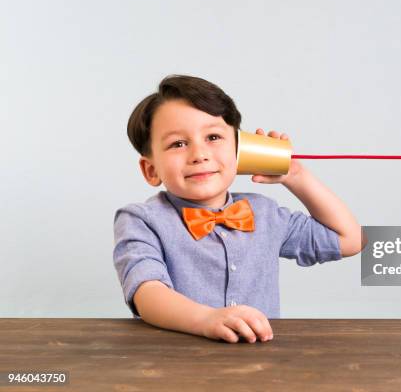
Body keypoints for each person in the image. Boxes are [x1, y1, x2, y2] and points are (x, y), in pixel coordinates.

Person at [113, 74, 364, 343]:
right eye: (178, 144)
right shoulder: (141, 220)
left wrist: (296, 176)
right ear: (151, 170)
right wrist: (206, 319)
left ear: (240, 151)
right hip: (175, 362)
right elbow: (148, 293)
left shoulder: (265, 213)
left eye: (213, 137)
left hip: (259, 365)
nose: (199, 154)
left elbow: (350, 240)